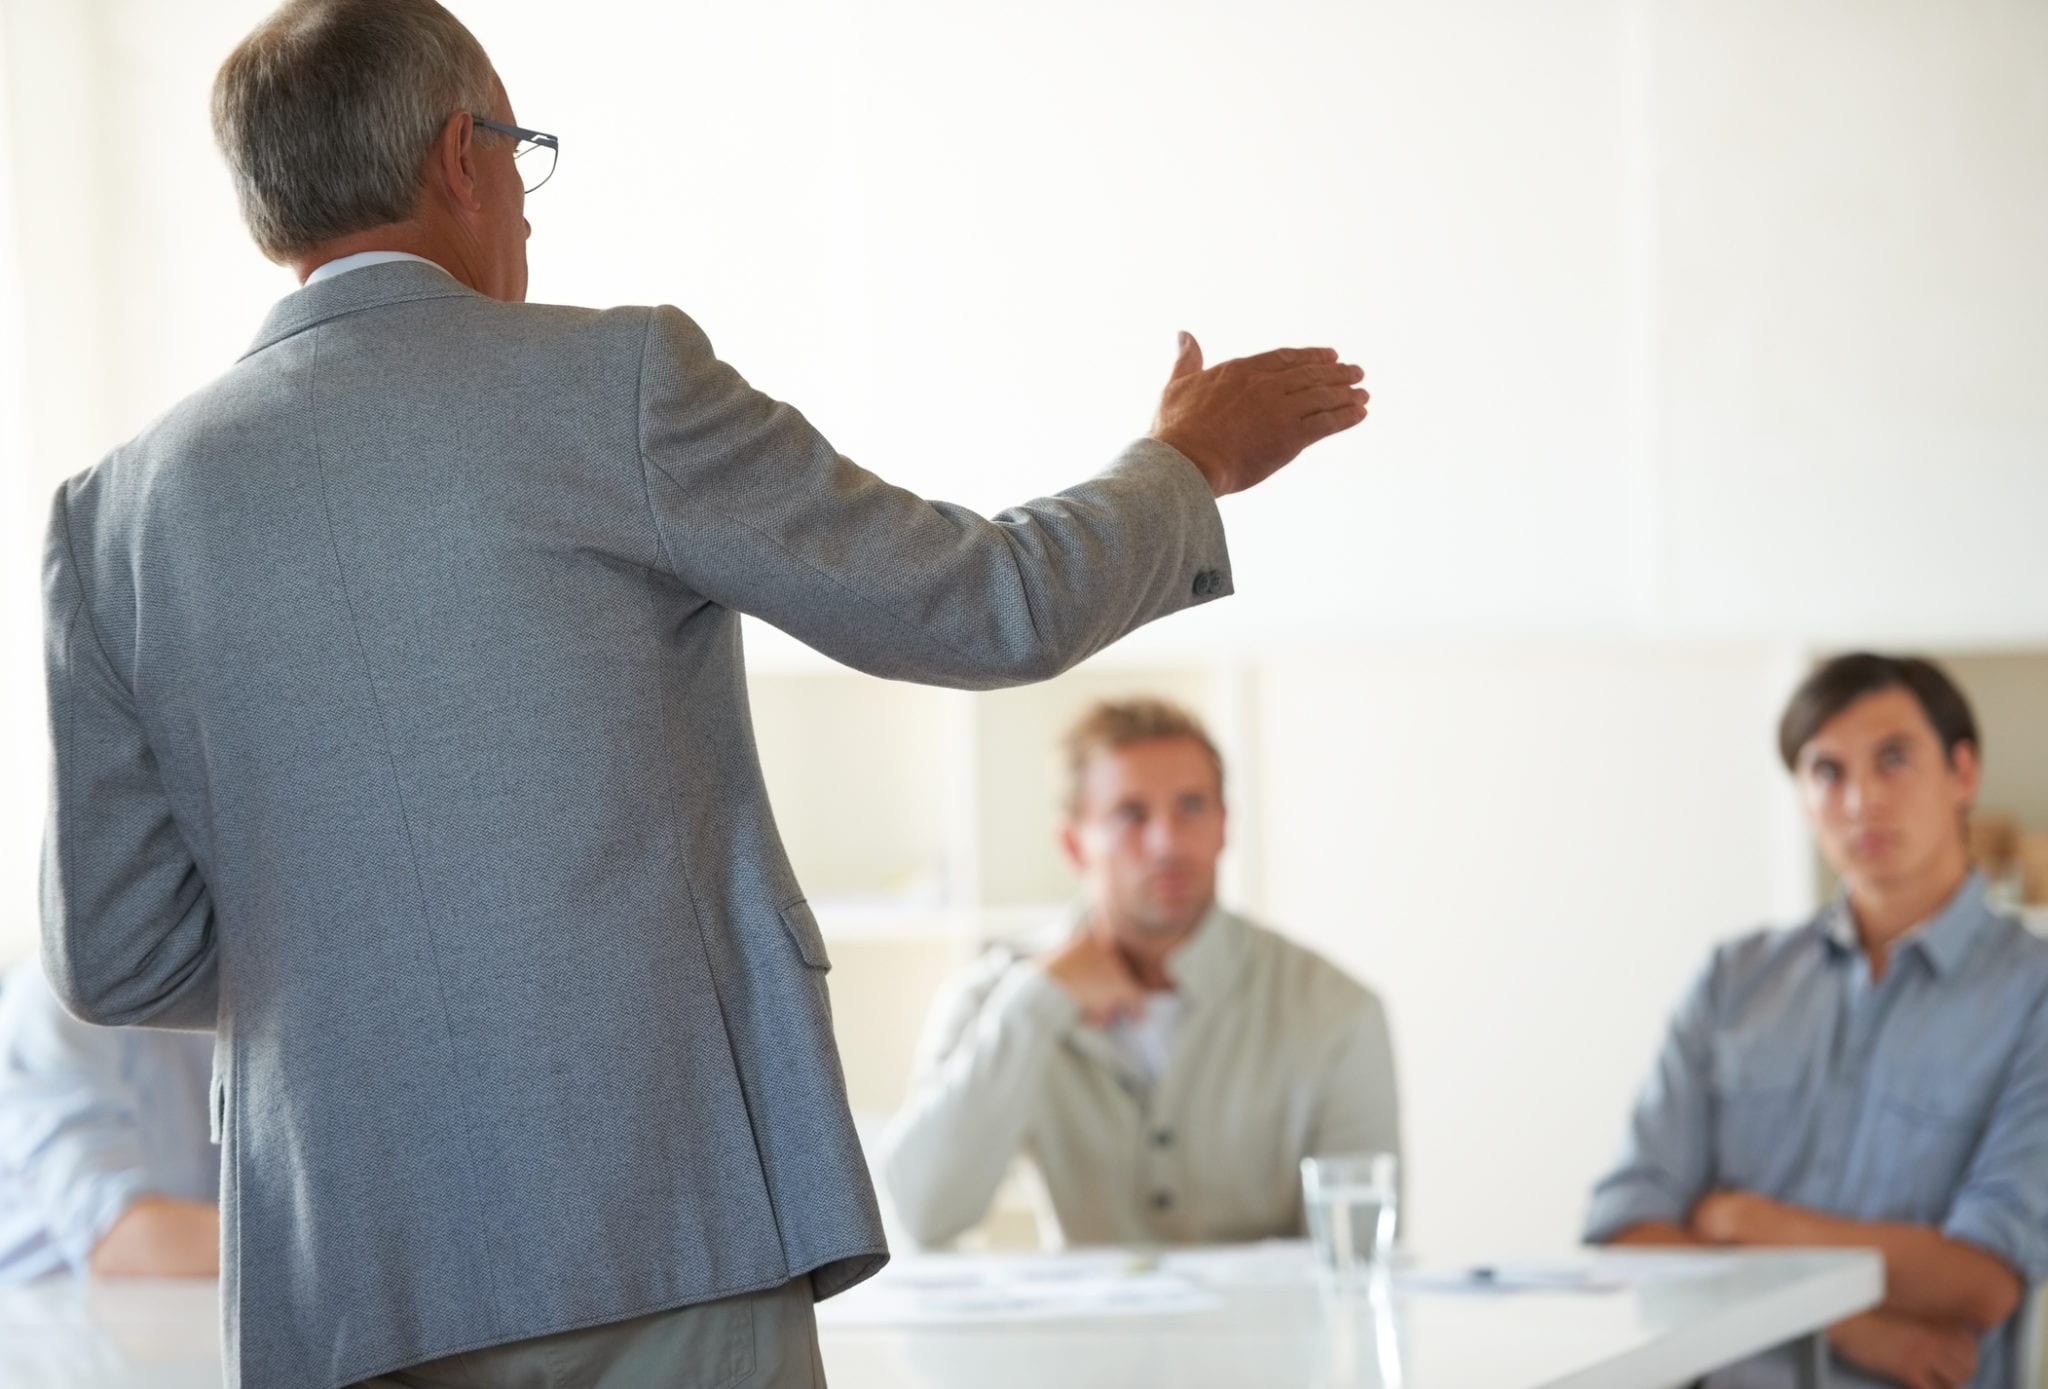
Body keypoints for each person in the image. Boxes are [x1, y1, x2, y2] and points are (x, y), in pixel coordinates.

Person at [37, 2, 1370, 1385]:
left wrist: (367, 978)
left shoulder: (113, 516)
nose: (528, 217)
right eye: (517, 151)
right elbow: (978, 605)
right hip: (658, 1218)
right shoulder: (613, 381)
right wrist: (1182, 467)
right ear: (458, 156)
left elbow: (120, 956)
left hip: (343, 1278)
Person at [1585, 654, 2048, 1389]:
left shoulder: (2033, 995)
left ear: (1963, 772)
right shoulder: (1732, 979)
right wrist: (1853, 1323)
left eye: (1893, 758)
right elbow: (1627, 1229)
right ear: (1802, 799)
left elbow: (1982, 1277)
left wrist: (1751, 1222)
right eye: (1827, 771)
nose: (1861, 799)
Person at [880, 698, 1399, 1248]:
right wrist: (1037, 1001)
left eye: (1192, 807)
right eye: (1131, 814)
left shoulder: (1336, 1011)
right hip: (1081, 1332)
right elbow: (922, 1213)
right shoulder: (994, 996)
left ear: (1226, 826)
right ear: (1073, 844)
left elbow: (1360, 1254)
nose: (1167, 843)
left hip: (1266, 1333)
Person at [0, 959, 217, 1282]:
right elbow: (116, 1240)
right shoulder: (59, 999)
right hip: (42, 1312)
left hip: (170, 1309)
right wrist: (307, 1247)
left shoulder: (230, 1006)